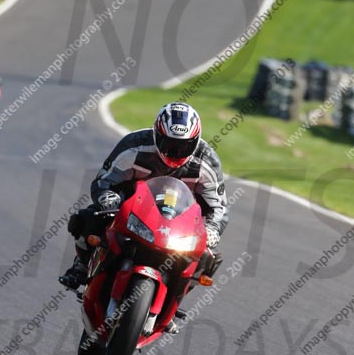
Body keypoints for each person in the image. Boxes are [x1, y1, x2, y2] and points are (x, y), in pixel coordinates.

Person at [60, 102, 228, 309]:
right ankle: (81, 265)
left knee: (207, 257)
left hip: (179, 220)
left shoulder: (206, 160)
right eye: (169, 144)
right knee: (88, 218)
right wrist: (108, 199)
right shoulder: (134, 145)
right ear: (156, 134)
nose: (175, 152)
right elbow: (105, 180)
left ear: (195, 140)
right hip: (130, 208)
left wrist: (212, 229)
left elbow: (218, 207)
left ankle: (173, 302)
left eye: (183, 146)